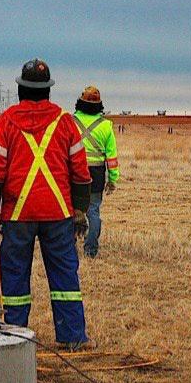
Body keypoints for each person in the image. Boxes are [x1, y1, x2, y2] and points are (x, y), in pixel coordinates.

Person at [0, 59, 93, 349]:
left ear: (21, 89)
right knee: (64, 276)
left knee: (14, 276)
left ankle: (12, 335)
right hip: (57, 213)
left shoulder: (6, 121)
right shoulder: (65, 122)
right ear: (47, 91)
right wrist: (80, 209)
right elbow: (80, 171)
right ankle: (72, 337)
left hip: (16, 213)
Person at [73, 85, 120, 259]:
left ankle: (70, 248)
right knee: (93, 211)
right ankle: (91, 250)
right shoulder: (106, 126)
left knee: (72, 210)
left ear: (80, 102)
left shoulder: (71, 121)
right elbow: (112, 157)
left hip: (75, 173)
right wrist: (113, 180)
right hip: (97, 174)